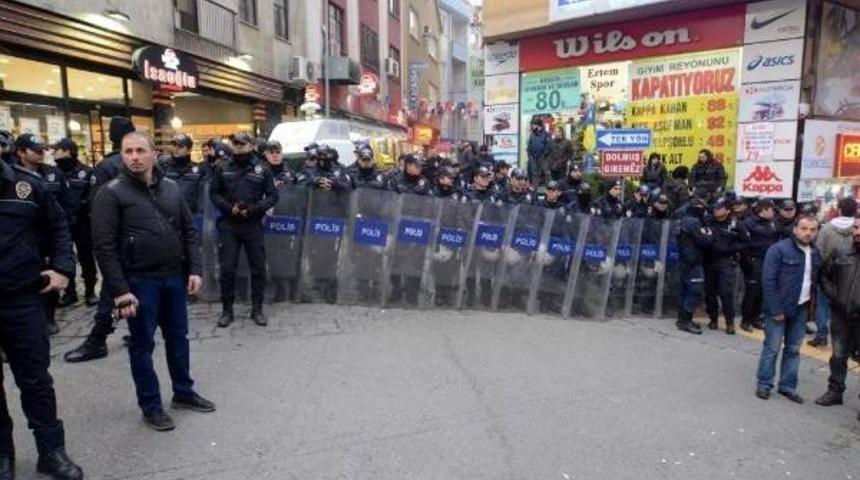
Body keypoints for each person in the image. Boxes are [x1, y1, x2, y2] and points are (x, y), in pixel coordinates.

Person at [92, 131, 215, 431]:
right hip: (138, 282)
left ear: (153, 154)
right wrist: (121, 292)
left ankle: (183, 392)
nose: (134, 156)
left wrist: (195, 270)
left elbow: (189, 232)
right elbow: (104, 247)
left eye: (140, 150)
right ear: (122, 155)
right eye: (128, 151)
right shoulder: (111, 193)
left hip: (173, 278)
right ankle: (150, 405)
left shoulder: (171, 188)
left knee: (178, 339)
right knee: (142, 345)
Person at [0, 155, 84, 479]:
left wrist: (63, 268)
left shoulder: (27, 185)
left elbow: (59, 227)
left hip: (22, 299)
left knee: (36, 381)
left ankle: (51, 451)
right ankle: (2, 455)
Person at [64, 116, 136, 363]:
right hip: (141, 238)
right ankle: (139, 332)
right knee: (139, 284)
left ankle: (98, 340)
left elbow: (98, 206)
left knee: (111, 290)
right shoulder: (144, 161)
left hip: (117, 239)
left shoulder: (106, 166)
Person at [209, 132, 279, 327]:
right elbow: (213, 193)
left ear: (251, 145)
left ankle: (257, 309)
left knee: (258, 268)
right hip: (229, 224)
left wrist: (255, 209)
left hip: (252, 224)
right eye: (236, 143)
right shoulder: (222, 167)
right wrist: (228, 208)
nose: (238, 146)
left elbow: (273, 196)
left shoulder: (262, 169)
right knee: (227, 269)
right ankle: (227, 310)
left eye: (242, 143)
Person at [14, 134, 77, 336]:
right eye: (36, 150)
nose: (42, 154)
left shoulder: (53, 174)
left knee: (50, 277)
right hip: (21, 241)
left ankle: (48, 317)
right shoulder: (11, 178)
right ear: (21, 153)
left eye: (43, 150)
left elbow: (66, 206)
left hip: (48, 237)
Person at [755, 215, 822, 403]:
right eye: (804, 228)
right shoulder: (778, 250)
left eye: (812, 229)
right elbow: (768, 281)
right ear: (795, 229)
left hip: (801, 308)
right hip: (778, 308)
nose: (808, 233)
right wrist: (775, 308)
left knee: (793, 349)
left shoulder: (815, 253)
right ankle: (764, 384)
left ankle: (787, 386)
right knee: (772, 348)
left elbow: (815, 282)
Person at [813, 216, 860, 418]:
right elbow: (823, 276)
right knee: (839, 355)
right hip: (841, 316)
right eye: (856, 227)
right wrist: (836, 296)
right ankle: (835, 391)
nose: (858, 232)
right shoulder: (841, 252)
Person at [52, 138, 98, 308]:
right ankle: (70, 292)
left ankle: (90, 291)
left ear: (67, 151)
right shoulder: (52, 173)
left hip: (82, 222)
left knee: (86, 257)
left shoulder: (87, 172)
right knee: (64, 257)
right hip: (60, 224)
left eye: (57, 150)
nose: (54, 153)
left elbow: (93, 197)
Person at [808, 197, 857, 347]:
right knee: (846, 306)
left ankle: (821, 336)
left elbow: (818, 250)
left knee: (822, 305)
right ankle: (844, 338)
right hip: (851, 275)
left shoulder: (827, 228)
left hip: (828, 273)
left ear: (839, 209)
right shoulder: (856, 228)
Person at [703, 196, 748, 335]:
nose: (716, 211)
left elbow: (745, 242)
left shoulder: (735, 224)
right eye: (715, 208)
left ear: (727, 210)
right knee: (710, 293)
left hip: (726, 262)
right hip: (709, 261)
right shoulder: (708, 221)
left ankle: (729, 322)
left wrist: (730, 248)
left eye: (719, 208)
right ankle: (713, 319)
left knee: (725, 293)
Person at [740, 199, 781, 332]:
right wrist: (748, 261)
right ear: (763, 210)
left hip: (769, 260)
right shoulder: (750, 223)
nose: (773, 212)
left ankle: (756, 318)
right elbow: (745, 244)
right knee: (752, 291)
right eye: (771, 210)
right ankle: (746, 320)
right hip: (755, 259)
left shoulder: (773, 223)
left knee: (763, 291)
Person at [675, 197, 714, 334]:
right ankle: (686, 320)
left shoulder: (683, 220)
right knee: (695, 291)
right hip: (693, 261)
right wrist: (709, 233)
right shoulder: (694, 222)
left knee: (685, 291)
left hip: (685, 260)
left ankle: (682, 319)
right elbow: (706, 240)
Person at [159, 134, 209, 215]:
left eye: (180, 146)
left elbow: (202, 198)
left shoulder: (199, 170)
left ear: (189, 150)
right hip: (165, 217)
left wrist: (199, 216)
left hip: (190, 216)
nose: (176, 149)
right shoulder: (163, 166)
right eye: (174, 145)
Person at [526, 118, 550, 185]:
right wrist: (529, 156)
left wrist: (544, 155)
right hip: (533, 157)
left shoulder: (546, 134)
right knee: (534, 174)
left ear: (537, 125)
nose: (532, 127)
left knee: (546, 173)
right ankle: (535, 189)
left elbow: (548, 146)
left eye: (533, 125)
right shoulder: (532, 135)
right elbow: (529, 146)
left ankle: (548, 189)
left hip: (543, 157)